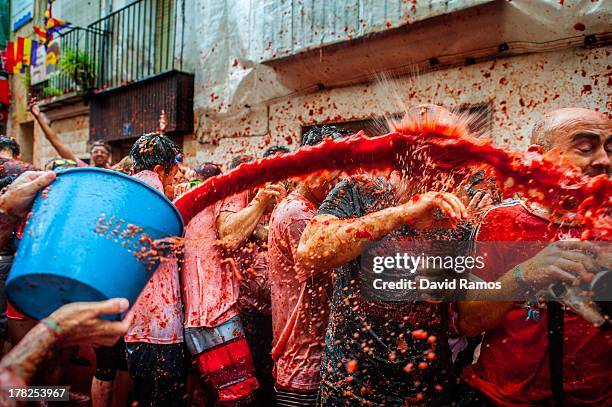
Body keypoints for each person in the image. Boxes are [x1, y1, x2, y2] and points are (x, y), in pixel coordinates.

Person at [296, 119, 469, 404]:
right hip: (351, 388)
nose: (445, 169)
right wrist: (402, 213)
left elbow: (464, 317)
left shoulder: (456, 216)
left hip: (427, 391)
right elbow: (310, 251)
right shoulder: (361, 190)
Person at [457, 108, 611, 406]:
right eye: (585, 148)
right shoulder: (501, 221)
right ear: (538, 157)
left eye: (610, 148)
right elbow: (469, 322)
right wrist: (524, 275)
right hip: (503, 398)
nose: (604, 161)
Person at [0, 170, 132, 406]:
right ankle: (35, 397)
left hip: (56, 296)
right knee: (23, 362)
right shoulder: (26, 219)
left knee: (53, 360)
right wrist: (7, 210)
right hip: (23, 297)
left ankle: (51, 396)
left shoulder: (65, 216)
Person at [267, 126, 349, 406]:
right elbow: (338, 274)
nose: (341, 177)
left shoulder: (308, 210)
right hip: (303, 365)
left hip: (306, 359)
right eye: (334, 167)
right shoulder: (299, 215)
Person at [124, 132, 186, 406]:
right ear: (160, 170)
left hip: (134, 321)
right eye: (173, 175)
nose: (174, 181)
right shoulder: (158, 202)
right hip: (158, 326)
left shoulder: (124, 194)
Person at [29, 98, 112, 168]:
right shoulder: (85, 169)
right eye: (96, 152)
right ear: (91, 155)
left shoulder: (115, 172)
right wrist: (38, 116)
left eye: (102, 152)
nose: (99, 154)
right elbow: (56, 143)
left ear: (108, 156)